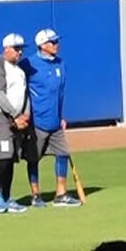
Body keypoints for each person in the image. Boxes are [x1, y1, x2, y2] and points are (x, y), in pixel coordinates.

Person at [23, 28, 82, 208]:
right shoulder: (28, 64)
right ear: (42, 45)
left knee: (62, 153)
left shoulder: (60, 64)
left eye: (57, 41)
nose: (57, 45)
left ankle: (61, 194)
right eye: (52, 42)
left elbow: (60, 93)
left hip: (55, 121)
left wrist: (61, 115)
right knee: (33, 158)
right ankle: (35, 195)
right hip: (36, 122)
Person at [0, 33, 31, 215]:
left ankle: (6, 196)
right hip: (0, 117)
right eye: (17, 49)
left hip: (16, 118)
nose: (20, 52)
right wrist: (15, 115)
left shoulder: (19, 70)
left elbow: (24, 95)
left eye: (21, 49)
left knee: (11, 158)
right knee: (5, 156)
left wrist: (25, 115)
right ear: (7, 48)